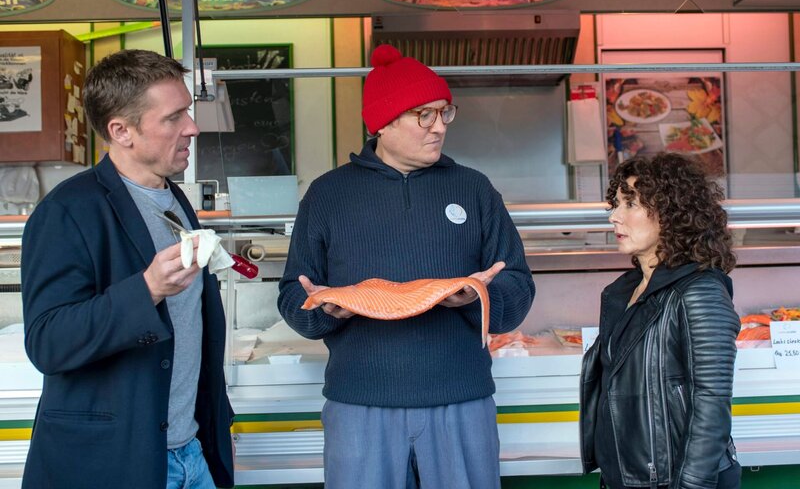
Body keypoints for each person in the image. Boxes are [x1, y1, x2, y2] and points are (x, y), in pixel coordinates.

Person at [278, 44, 536, 489]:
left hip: (462, 400)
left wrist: (476, 296)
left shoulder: (473, 189)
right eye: (424, 115)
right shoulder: (328, 195)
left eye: (444, 113)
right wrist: (323, 309)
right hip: (360, 404)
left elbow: (516, 286)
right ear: (381, 122)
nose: (439, 127)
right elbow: (292, 296)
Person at [20, 49, 234, 489]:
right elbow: (48, 342)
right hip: (116, 461)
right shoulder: (67, 210)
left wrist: (216, 425)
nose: (192, 127)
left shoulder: (176, 201)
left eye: (188, 113)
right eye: (173, 118)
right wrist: (148, 289)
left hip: (192, 451)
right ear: (121, 131)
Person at [580, 153, 741, 489]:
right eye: (615, 204)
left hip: (674, 481)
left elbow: (711, 407)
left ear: (670, 213)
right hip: (628, 476)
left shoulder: (700, 291)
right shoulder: (623, 291)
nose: (613, 217)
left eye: (630, 204)